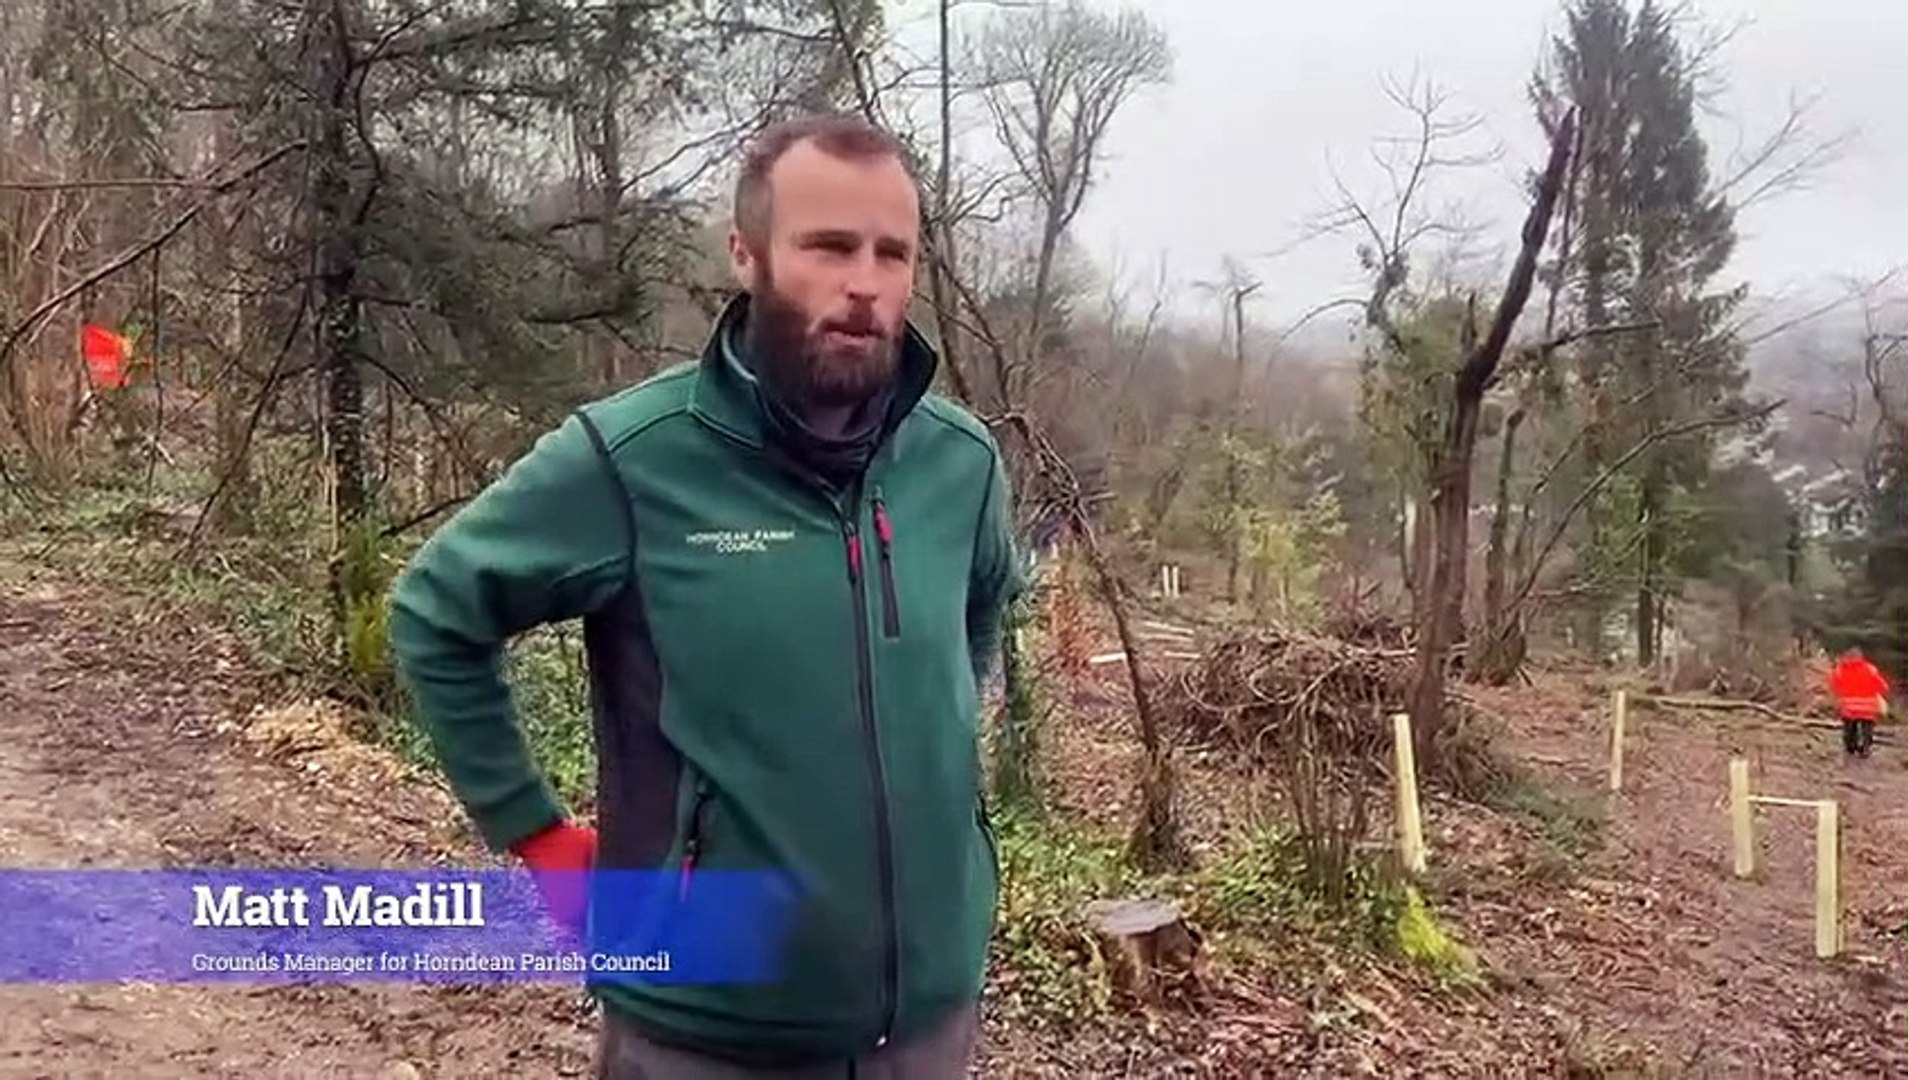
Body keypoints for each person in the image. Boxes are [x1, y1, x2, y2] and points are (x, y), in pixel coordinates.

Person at [386, 112, 1025, 1078]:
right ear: (747, 253)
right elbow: (438, 609)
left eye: (892, 253)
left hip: (928, 1026)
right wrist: (536, 832)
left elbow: (978, 617)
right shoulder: (636, 459)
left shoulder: (960, 463)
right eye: (827, 246)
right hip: (703, 1033)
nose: (865, 283)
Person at [1828, 647, 1889, 758]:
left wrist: (1840, 695)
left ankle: (1850, 747)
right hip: (1868, 706)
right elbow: (1883, 686)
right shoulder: (1870, 669)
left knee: (1849, 727)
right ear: (1861, 657)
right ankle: (1865, 748)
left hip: (1849, 706)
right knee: (1867, 728)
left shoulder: (1841, 670)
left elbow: (1834, 685)